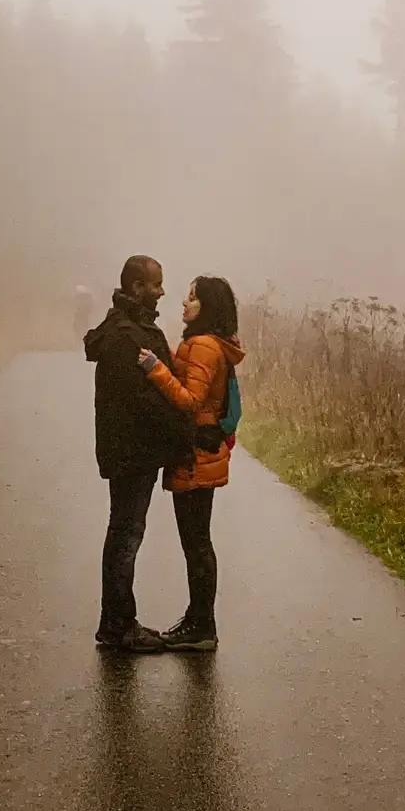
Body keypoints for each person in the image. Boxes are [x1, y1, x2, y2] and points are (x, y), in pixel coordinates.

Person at [84, 256, 194, 653]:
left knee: (124, 533)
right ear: (135, 287)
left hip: (131, 451)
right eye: (155, 284)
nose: (162, 291)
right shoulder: (128, 337)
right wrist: (188, 434)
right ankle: (118, 626)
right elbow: (149, 401)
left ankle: (116, 622)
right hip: (131, 453)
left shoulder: (128, 328)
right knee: (125, 535)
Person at [137, 273, 244, 652]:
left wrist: (155, 370)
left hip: (198, 455)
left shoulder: (202, 346)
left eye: (193, 298)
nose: (184, 302)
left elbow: (190, 400)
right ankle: (200, 622)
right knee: (198, 541)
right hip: (204, 452)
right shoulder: (214, 344)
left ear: (208, 307)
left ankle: (201, 626)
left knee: (196, 542)